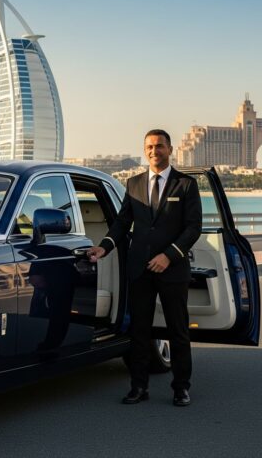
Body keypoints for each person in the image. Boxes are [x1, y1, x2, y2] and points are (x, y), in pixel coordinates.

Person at [87, 129, 202, 406]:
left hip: (172, 269)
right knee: (139, 330)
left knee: (178, 331)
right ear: (144, 150)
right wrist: (104, 246)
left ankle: (181, 388)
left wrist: (169, 256)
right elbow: (122, 222)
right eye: (149, 147)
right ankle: (139, 387)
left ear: (170, 149)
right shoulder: (134, 183)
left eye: (159, 146)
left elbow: (193, 228)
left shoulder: (185, 185)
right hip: (139, 269)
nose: (154, 151)